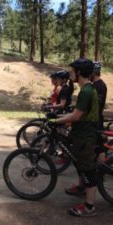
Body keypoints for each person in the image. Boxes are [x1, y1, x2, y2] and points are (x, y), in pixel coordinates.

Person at [50, 58, 99, 217]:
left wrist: (56, 120)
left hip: (85, 136)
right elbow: (76, 113)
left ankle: (90, 206)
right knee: (80, 163)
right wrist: (61, 117)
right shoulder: (87, 89)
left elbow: (77, 116)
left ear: (79, 72)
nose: (70, 73)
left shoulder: (85, 91)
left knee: (88, 170)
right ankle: (81, 188)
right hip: (81, 133)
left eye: (72, 71)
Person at [91, 61, 107, 129]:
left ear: (94, 72)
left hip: (95, 121)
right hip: (96, 119)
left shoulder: (98, 86)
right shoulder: (100, 84)